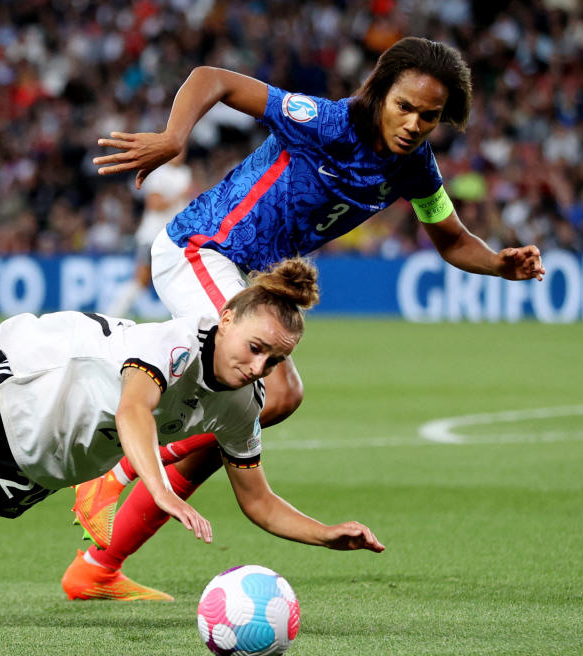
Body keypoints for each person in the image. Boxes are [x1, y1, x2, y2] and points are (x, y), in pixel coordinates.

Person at [64, 37, 546, 599]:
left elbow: (451, 239)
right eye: (405, 107)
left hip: (246, 277)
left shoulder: (415, 167)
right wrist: (174, 138)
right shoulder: (323, 120)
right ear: (379, 92)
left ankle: (98, 566)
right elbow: (211, 77)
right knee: (261, 398)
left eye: (430, 116)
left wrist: (496, 263)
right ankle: (114, 478)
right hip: (202, 249)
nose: (415, 124)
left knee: (259, 408)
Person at [0, 258, 384, 599]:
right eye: (255, 348)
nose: (259, 367)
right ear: (226, 321)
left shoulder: (242, 403)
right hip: (13, 388)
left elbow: (258, 500)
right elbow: (133, 413)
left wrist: (326, 533)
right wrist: (163, 492)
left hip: (36, 465)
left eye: (274, 359)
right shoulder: (175, 344)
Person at [108, 152, 195, 319]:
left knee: (180, 278)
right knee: (141, 279)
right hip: (153, 235)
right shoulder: (158, 173)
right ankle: (113, 314)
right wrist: (180, 195)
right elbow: (154, 204)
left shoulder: (185, 173)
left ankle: (184, 319)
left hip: (174, 238)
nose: (181, 154)